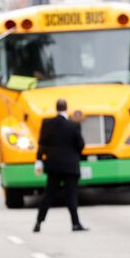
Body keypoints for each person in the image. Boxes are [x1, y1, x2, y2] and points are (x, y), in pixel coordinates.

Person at [33, 99, 88, 233]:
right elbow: (80, 145)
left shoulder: (47, 124)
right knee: (71, 196)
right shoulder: (73, 125)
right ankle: (75, 223)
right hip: (70, 166)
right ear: (66, 108)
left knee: (48, 195)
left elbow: (42, 144)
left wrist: (39, 159)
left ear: (56, 108)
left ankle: (38, 223)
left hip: (53, 166)